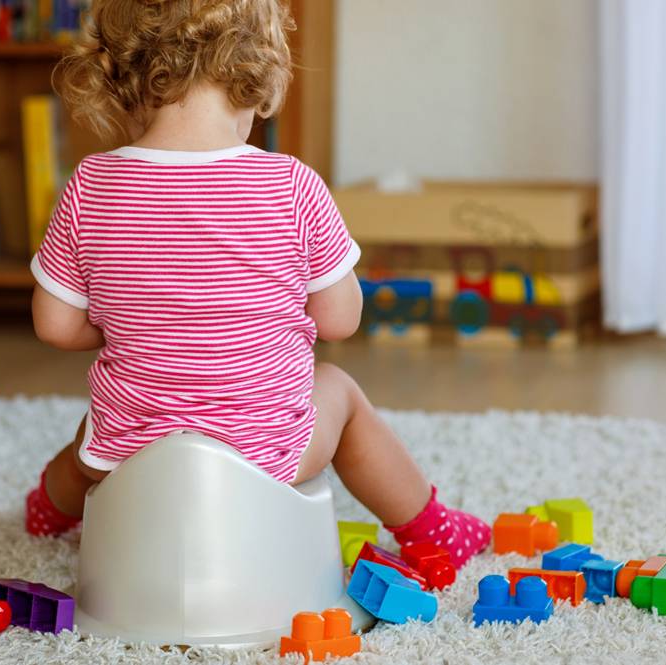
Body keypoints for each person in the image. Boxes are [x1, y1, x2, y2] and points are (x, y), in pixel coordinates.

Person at [26, 0, 489, 568]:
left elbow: (54, 324)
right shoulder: (293, 185)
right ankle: (431, 527)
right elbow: (339, 320)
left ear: (122, 78)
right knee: (339, 390)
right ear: (254, 75)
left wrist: (141, 325)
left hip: (130, 455)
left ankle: (47, 512)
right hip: (266, 454)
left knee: (93, 435)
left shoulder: (90, 184)